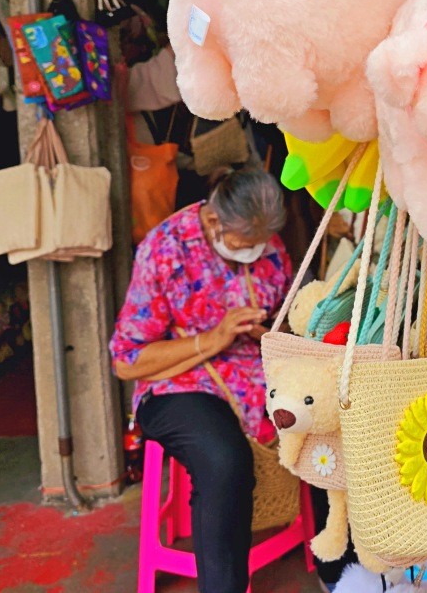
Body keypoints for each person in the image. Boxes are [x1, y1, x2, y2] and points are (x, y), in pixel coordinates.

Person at [110, 165, 293, 593]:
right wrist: (215, 338)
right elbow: (127, 358)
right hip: (179, 384)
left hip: (256, 373)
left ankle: (336, 565)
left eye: (260, 245)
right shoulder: (164, 250)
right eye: (243, 245)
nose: (254, 253)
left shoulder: (270, 246)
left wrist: (262, 332)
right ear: (213, 221)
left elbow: (289, 320)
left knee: (328, 417)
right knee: (223, 460)